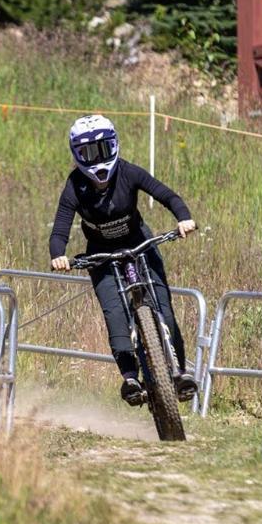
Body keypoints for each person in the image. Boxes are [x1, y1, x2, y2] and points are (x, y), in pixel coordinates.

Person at [48, 113, 198, 406]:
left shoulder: (129, 172)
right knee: (114, 313)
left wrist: (184, 219)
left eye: (103, 149)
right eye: (88, 152)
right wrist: (58, 255)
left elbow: (167, 195)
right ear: (77, 154)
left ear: (114, 145)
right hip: (100, 253)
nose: (97, 159)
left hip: (140, 241)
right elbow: (60, 229)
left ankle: (180, 373)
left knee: (164, 307)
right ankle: (130, 378)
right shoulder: (74, 185)